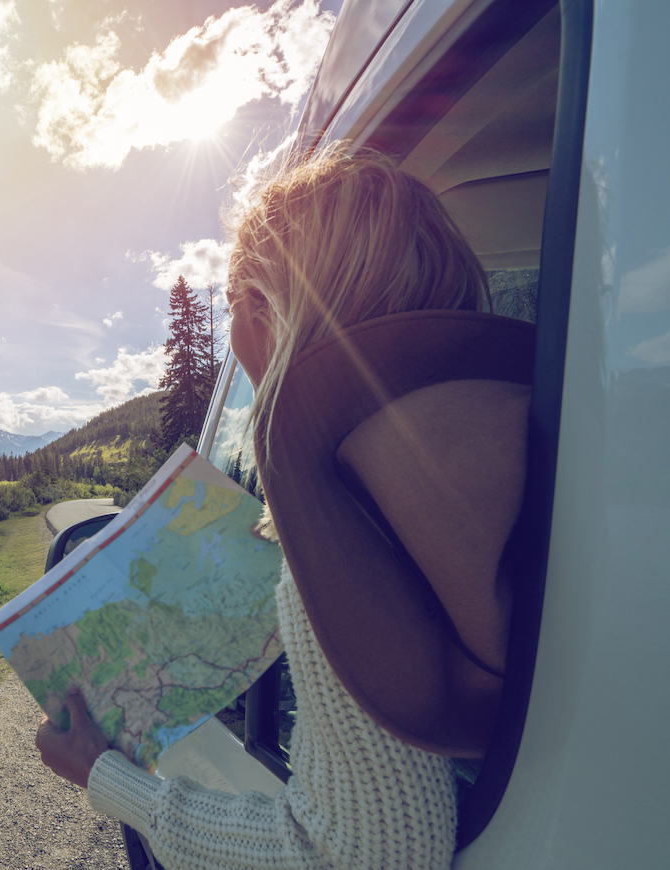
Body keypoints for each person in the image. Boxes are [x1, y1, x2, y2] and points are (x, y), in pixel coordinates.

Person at [35, 144, 534, 870]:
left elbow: (364, 857)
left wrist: (106, 777)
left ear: (265, 316)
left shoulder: (341, 524)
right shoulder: (527, 436)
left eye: (241, 302)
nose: (238, 333)